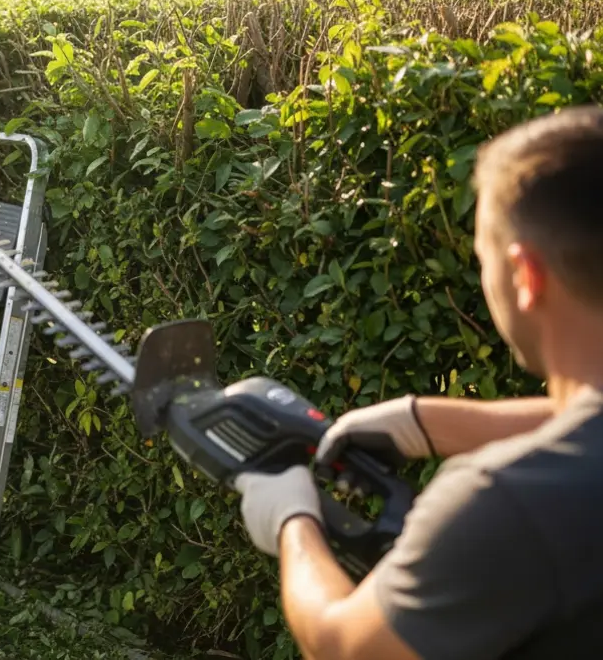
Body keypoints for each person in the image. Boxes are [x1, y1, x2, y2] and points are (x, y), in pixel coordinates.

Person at [232, 105, 603, 660]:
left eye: (484, 259)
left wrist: (291, 520)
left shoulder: (506, 504)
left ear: (525, 275)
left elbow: (343, 647)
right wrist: (428, 421)